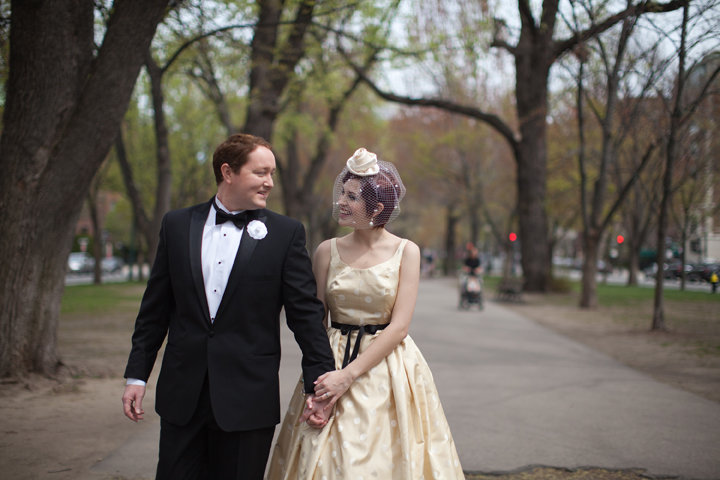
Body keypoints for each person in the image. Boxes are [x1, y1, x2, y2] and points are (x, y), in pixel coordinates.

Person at [121, 133, 336, 480]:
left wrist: (320, 384)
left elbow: (306, 315)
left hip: (248, 397)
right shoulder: (176, 225)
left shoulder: (286, 234)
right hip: (182, 395)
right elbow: (154, 309)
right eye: (260, 172)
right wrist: (137, 375)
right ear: (228, 172)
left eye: (272, 174)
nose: (269, 183)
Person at [266, 148, 464, 480]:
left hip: (387, 366)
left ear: (379, 208)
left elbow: (400, 327)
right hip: (331, 358)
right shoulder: (327, 250)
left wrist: (350, 375)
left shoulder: (407, 252)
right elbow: (315, 320)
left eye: (352, 196)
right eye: (342, 192)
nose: (342, 201)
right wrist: (322, 383)